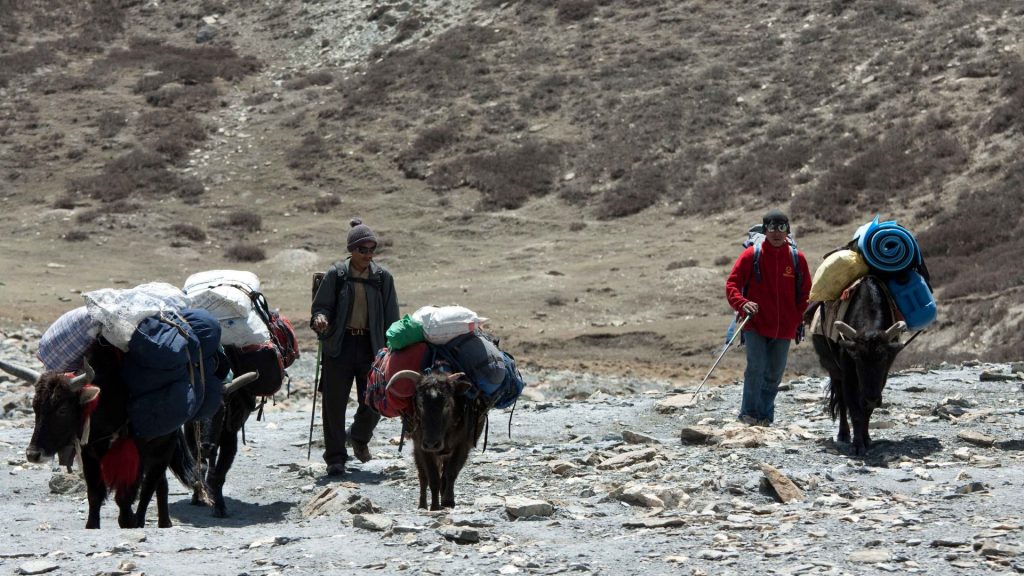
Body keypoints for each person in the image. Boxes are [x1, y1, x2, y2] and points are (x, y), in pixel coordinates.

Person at [311, 218, 400, 476]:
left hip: (371, 347)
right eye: (363, 250)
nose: (368, 255)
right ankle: (335, 458)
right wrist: (320, 318)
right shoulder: (336, 275)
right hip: (339, 345)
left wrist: (392, 349)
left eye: (372, 250)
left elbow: (392, 317)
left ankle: (359, 436)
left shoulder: (383, 278)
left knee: (375, 399)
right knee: (334, 404)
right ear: (352, 249)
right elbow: (321, 306)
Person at [725, 209, 811, 426]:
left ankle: (765, 417)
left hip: (784, 328)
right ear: (765, 230)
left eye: (781, 228)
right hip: (755, 323)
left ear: (787, 231)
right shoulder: (751, 255)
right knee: (755, 367)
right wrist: (743, 304)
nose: (776, 233)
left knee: (774, 373)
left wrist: (798, 318)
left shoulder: (797, 258)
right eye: (772, 228)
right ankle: (748, 414)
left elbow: (806, 293)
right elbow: (732, 284)